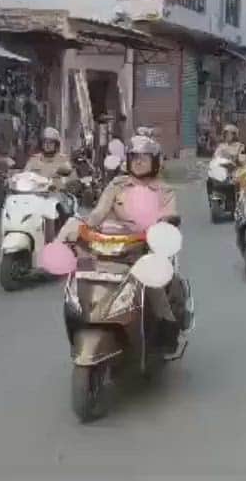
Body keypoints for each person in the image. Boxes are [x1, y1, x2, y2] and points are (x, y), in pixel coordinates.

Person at [84, 134, 191, 352]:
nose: (138, 162)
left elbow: (169, 215)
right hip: (114, 247)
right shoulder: (117, 185)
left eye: (144, 158)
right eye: (134, 157)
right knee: (86, 272)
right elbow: (98, 213)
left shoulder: (164, 190)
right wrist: (84, 226)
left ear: (155, 162)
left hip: (146, 249)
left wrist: (164, 225)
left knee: (157, 282)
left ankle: (167, 328)